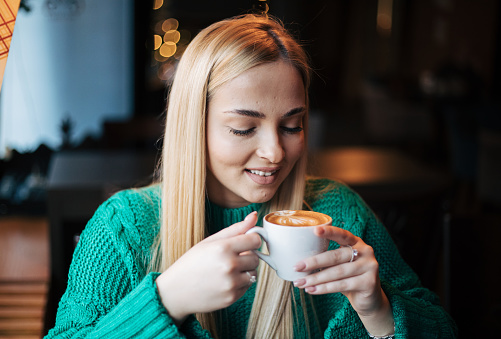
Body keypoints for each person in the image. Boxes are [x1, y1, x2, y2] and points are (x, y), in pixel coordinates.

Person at [45, 14, 457, 339]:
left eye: (292, 126)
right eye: (244, 128)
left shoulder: (339, 213)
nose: (276, 152)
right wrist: (166, 299)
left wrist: (379, 310)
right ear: (194, 126)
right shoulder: (123, 228)